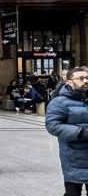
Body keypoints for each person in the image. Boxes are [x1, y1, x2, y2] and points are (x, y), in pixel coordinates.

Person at [46, 67, 88, 196]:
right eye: (81, 78)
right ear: (69, 82)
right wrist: (83, 132)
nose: (86, 81)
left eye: (87, 78)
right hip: (75, 155)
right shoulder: (59, 102)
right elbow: (53, 125)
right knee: (73, 193)